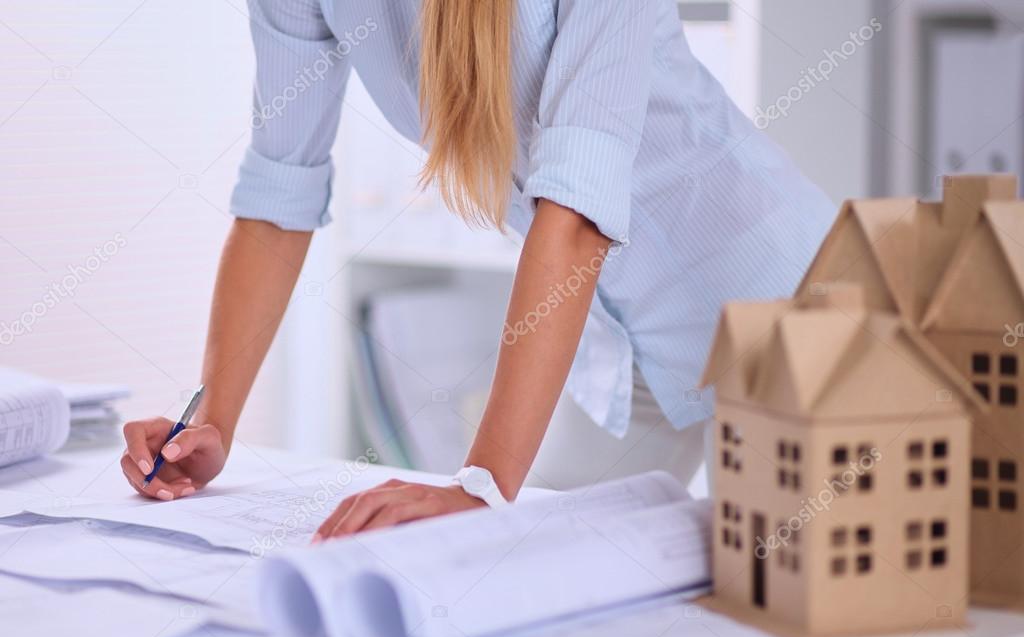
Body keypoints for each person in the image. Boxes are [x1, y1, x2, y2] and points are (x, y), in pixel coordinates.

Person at [119, 0, 835, 539]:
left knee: (802, 611)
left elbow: (577, 208)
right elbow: (279, 194)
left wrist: (482, 484)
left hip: (785, 308)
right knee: (529, 584)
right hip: (617, 344)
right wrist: (209, 423)